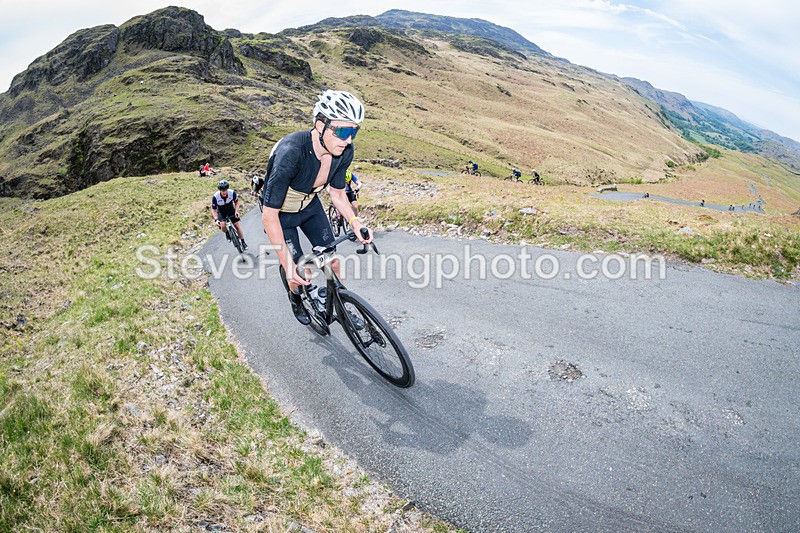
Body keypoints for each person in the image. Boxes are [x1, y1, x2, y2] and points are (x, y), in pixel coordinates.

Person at [261, 89, 371, 325]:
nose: (348, 139)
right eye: (342, 131)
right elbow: (268, 216)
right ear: (320, 125)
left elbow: (337, 193)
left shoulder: (344, 151)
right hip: (282, 216)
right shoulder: (290, 153)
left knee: (332, 260)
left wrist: (356, 222)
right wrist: (288, 266)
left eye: (354, 131)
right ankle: (296, 298)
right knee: (302, 271)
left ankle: (340, 305)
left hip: (310, 207)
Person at [212, 180, 247, 249]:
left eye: (225, 190)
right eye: (222, 190)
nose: (224, 192)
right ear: (220, 190)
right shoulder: (215, 197)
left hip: (230, 208)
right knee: (223, 226)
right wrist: (216, 219)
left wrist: (236, 211)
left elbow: (236, 203)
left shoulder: (232, 193)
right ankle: (227, 233)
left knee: (237, 225)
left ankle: (243, 242)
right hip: (221, 210)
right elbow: (214, 209)